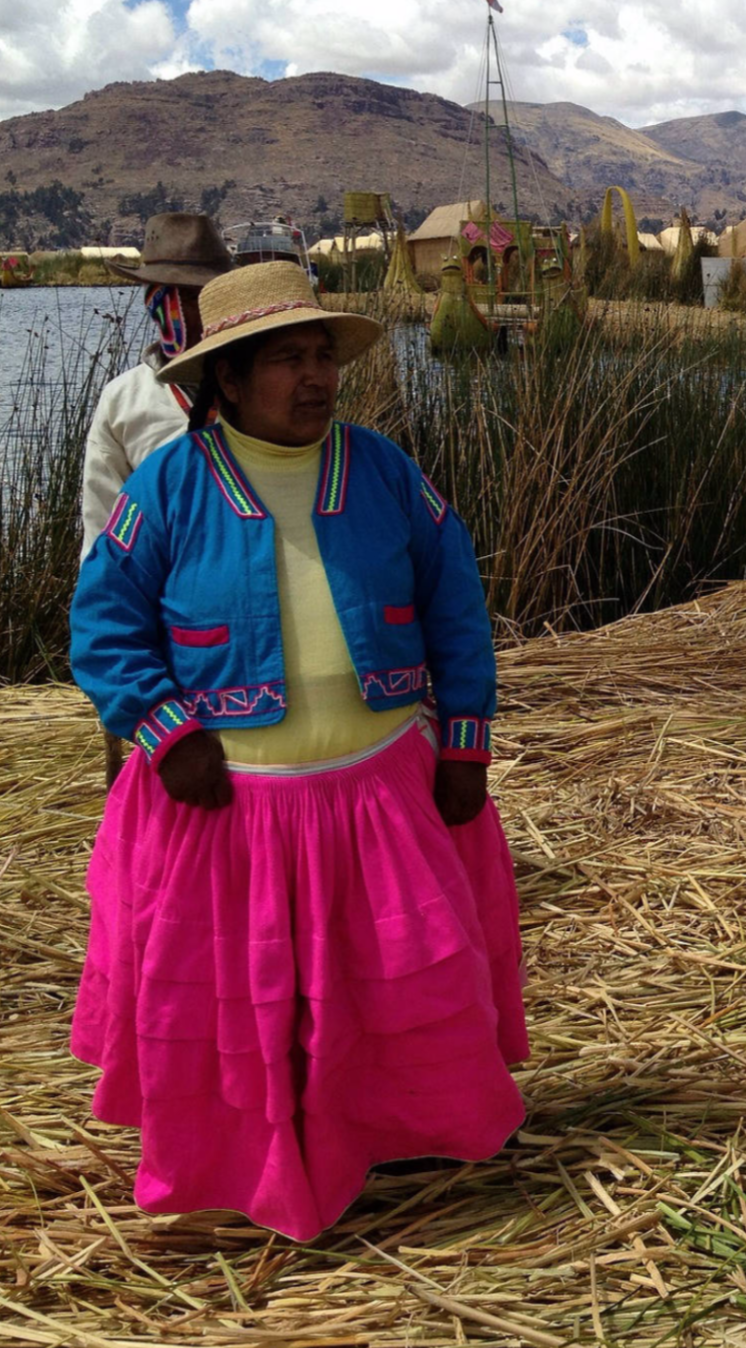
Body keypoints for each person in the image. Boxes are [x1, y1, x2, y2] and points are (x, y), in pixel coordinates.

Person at [67, 261, 528, 1242]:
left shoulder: (384, 472)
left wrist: (465, 742)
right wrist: (165, 730)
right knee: (248, 1001)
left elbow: (455, 601)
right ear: (229, 380)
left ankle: (398, 1136)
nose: (316, 376)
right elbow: (104, 624)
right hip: (227, 806)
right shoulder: (171, 485)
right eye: (287, 359)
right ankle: (251, 1158)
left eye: (323, 355)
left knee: (395, 979)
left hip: (377, 793)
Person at [82, 212, 233, 556]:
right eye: (192, 298)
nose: (209, 312)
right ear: (159, 304)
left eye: (215, 295)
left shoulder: (264, 386)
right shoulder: (124, 400)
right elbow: (102, 527)